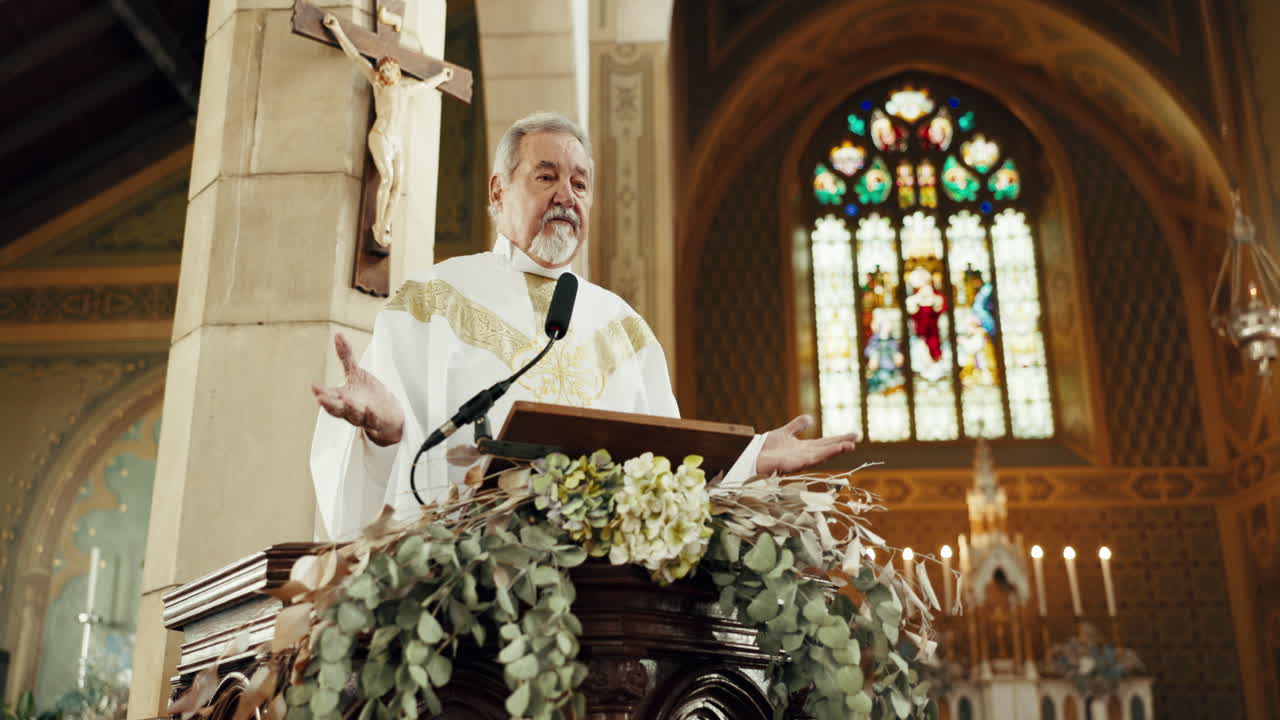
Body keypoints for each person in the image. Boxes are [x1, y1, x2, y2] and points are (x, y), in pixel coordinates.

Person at [310, 112, 859, 539]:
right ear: (498, 192)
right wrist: (382, 432)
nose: (566, 195)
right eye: (546, 176)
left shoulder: (622, 326)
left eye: (580, 183)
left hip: (601, 593)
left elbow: (664, 463)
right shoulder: (432, 300)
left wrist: (752, 457)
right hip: (463, 578)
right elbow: (385, 463)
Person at [323, 13, 453, 247]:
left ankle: (387, 224)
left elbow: (426, 85)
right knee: (387, 178)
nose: (385, 72)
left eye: (389, 69)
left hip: (396, 141)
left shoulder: (405, 90)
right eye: (383, 70)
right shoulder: (377, 84)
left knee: (398, 183)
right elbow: (355, 56)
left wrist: (442, 76)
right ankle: (377, 224)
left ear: (397, 71)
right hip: (381, 135)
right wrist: (337, 29)